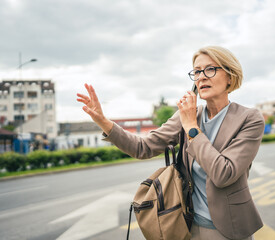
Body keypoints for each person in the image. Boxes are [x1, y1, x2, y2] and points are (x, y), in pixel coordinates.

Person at [77, 46, 264, 240]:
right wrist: (104, 122)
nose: (201, 77)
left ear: (230, 77)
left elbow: (224, 173)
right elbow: (143, 148)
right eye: (197, 71)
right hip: (185, 224)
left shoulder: (249, 119)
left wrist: (192, 128)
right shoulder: (188, 115)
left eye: (210, 69)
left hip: (228, 229)